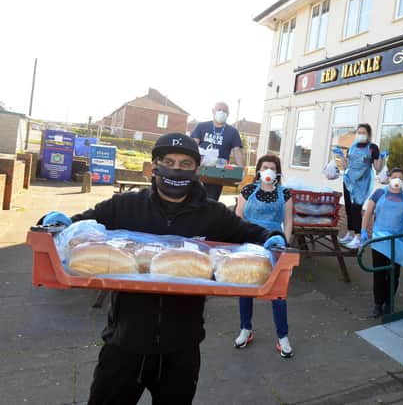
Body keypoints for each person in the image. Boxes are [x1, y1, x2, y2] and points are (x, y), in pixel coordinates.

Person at [41, 133, 286, 405]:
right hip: (124, 342)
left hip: (181, 347)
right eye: (168, 161)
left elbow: (246, 231)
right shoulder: (126, 205)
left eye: (185, 164)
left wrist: (271, 238)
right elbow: (78, 226)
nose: (176, 169)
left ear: (197, 169)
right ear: (155, 165)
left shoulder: (212, 214)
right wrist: (55, 222)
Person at [233, 154, 295, 358]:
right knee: (246, 288)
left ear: (277, 172)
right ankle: (245, 329)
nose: (268, 170)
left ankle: (283, 336)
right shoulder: (248, 190)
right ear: (259, 170)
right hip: (250, 243)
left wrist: (285, 248)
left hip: (275, 245)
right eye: (264, 167)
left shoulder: (285, 194)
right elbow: (238, 218)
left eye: (272, 167)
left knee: (278, 292)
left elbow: (288, 223)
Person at [361, 168, 403, 318]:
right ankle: (377, 304)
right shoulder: (379, 193)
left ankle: (389, 302)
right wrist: (363, 230)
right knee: (379, 273)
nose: (397, 180)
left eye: (400, 178)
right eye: (394, 177)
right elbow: (368, 212)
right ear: (389, 178)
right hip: (380, 241)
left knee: (394, 273)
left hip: (398, 242)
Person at [332, 123, 385, 249]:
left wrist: (382, 158)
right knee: (349, 209)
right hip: (349, 181)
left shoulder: (372, 148)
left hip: (362, 183)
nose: (360, 134)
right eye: (358, 132)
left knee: (356, 209)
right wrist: (340, 155)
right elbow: (346, 166)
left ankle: (358, 237)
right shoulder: (353, 147)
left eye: (363, 132)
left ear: (368, 135)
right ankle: (350, 234)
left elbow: (377, 168)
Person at [191, 101, 244, 201]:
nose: (221, 112)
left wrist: (241, 169)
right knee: (194, 197)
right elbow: (193, 144)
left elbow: (237, 151)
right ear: (213, 111)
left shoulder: (232, 131)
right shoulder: (202, 126)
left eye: (224, 111)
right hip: (200, 167)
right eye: (219, 110)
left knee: (211, 200)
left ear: (228, 114)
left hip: (218, 172)